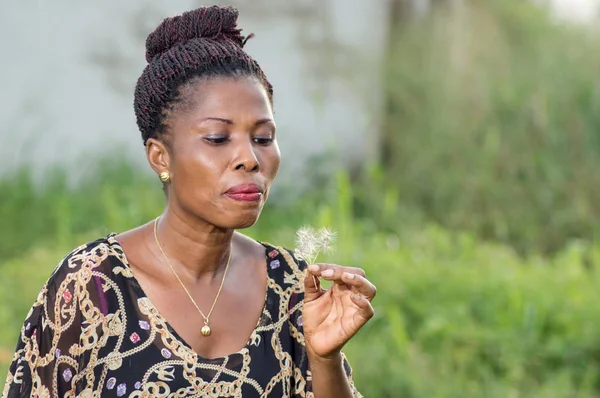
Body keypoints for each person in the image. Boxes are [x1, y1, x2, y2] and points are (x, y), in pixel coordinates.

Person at [2, 5, 377, 398]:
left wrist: (324, 359)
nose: (249, 158)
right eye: (218, 138)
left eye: (263, 137)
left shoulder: (293, 287)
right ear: (160, 157)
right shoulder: (92, 286)